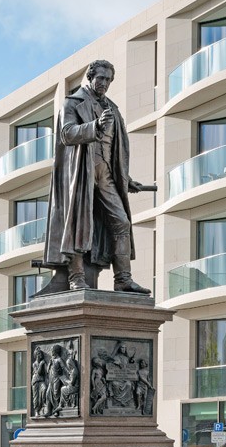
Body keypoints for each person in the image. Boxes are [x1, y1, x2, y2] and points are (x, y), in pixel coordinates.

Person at [43, 59, 153, 294]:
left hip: (106, 174)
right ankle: (76, 277)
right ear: (90, 77)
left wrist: (126, 179)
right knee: (78, 225)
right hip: (81, 173)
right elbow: (67, 134)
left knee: (121, 222)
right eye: (101, 78)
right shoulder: (73, 103)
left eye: (108, 80)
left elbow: (114, 149)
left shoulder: (112, 108)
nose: (104, 83)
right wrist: (94, 126)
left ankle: (123, 279)